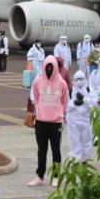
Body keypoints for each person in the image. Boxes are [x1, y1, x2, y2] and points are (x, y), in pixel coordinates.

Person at [28, 55, 69, 187]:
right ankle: (40, 176)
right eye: (47, 68)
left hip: (56, 122)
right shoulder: (38, 81)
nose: (49, 71)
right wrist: (40, 109)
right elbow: (34, 97)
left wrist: (62, 116)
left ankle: (56, 176)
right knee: (41, 150)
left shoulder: (62, 83)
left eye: (52, 68)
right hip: (41, 122)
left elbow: (65, 101)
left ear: (56, 68)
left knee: (56, 150)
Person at [66, 70, 95, 163]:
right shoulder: (70, 91)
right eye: (77, 79)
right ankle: (75, 158)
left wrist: (84, 100)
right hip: (73, 120)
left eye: (81, 79)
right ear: (74, 80)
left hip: (86, 119)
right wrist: (74, 103)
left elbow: (94, 103)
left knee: (86, 139)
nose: (79, 81)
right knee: (74, 140)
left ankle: (85, 158)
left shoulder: (89, 90)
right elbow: (66, 106)